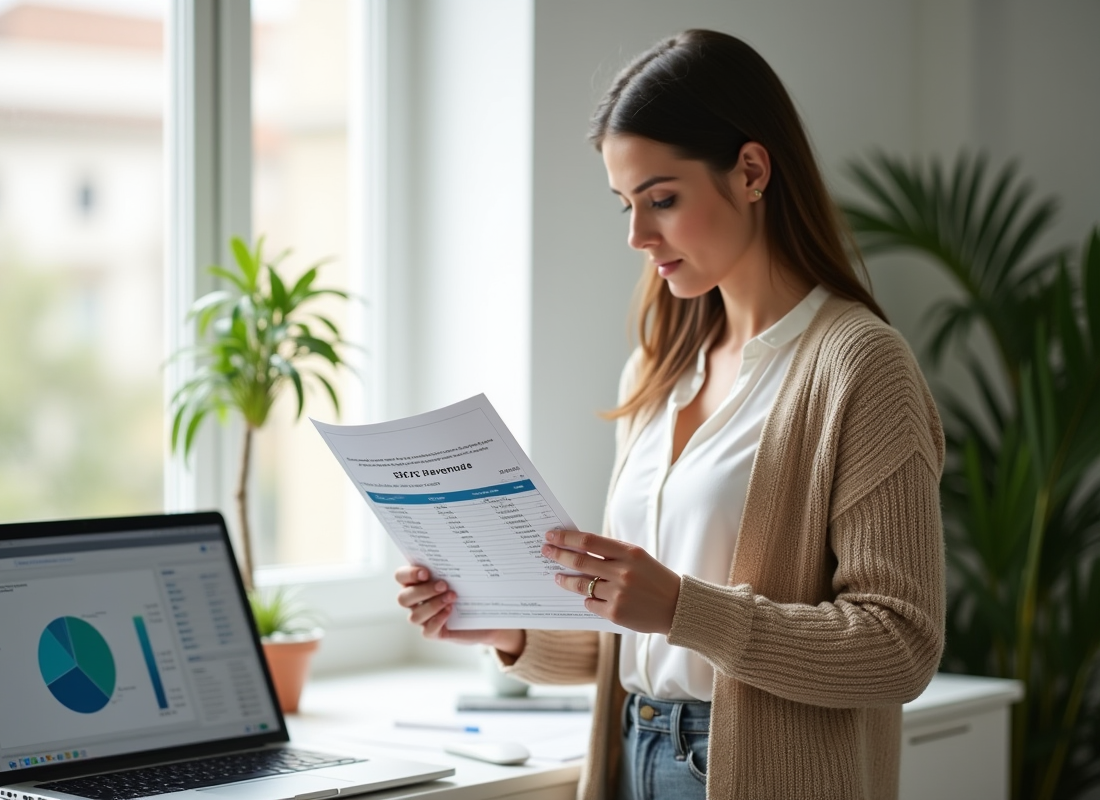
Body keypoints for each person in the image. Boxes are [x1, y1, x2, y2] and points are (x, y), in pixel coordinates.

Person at [394, 29, 944, 800]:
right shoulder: (661, 368)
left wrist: (688, 607)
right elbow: (643, 632)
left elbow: (900, 646)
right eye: (625, 204)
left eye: (662, 199)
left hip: (750, 774)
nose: (636, 235)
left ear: (751, 171)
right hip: (630, 756)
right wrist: (509, 630)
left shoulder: (859, 364)